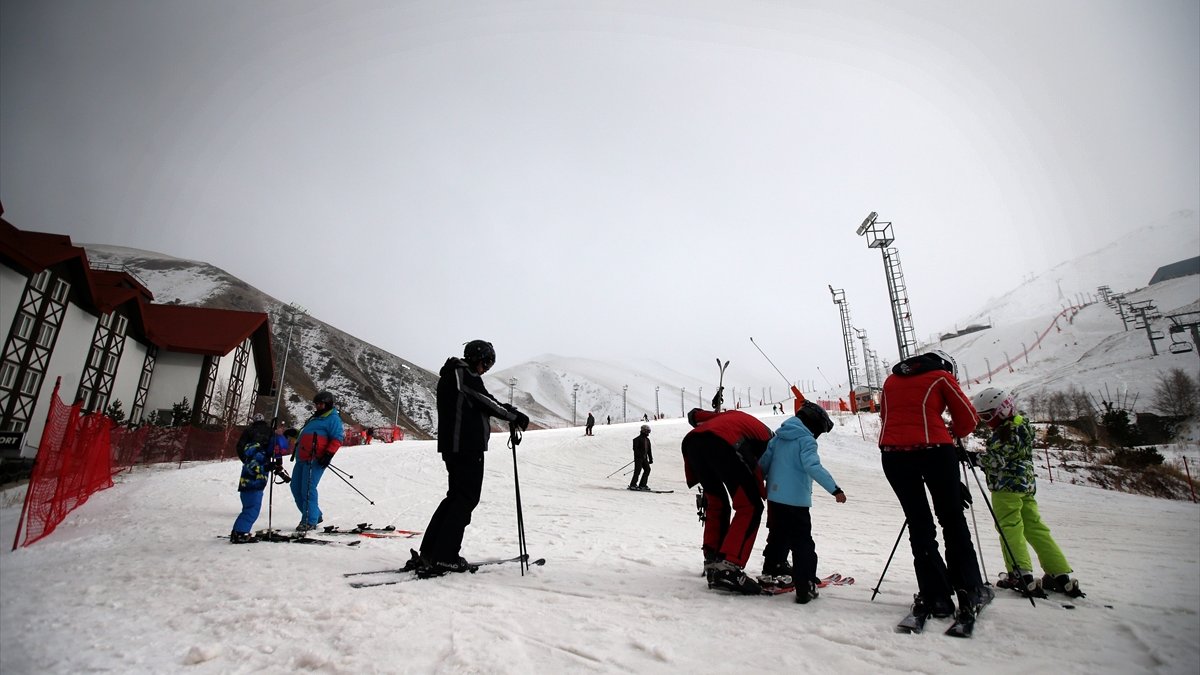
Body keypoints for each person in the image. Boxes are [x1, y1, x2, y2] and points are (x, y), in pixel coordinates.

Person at [878, 350, 992, 624]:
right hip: (934, 451)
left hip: (893, 454)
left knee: (919, 524)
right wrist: (950, 430)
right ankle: (969, 589)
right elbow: (968, 419)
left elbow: (886, 417)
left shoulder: (891, 381)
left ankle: (935, 594)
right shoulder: (941, 377)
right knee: (951, 518)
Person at [417, 340, 529, 578]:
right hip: (465, 447)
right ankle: (445, 556)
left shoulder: (458, 374)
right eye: (486, 362)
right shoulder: (463, 374)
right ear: (477, 358)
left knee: (456, 498)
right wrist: (513, 416)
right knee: (465, 500)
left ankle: (431, 551)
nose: (486, 368)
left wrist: (509, 410)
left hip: (458, 446)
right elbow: (484, 400)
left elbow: (482, 399)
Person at [970, 387, 1085, 598]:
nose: (986, 422)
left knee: (1009, 527)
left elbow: (998, 460)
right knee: (1035, 527)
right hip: (1025, 486)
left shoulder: (1006, 432)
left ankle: (1020, 573)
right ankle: (1059, 573)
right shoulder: (1021, 425)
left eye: (988, 416)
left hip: (1006, 488)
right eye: (982, 417)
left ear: (1002, 410)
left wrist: (973, 457)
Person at [759, 401, 846, 603]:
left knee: (778, 535)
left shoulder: (778, 437)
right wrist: (835, 489)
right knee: (802, 542)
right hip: (796, 502)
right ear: (813, 424)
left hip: (775, 498)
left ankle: (771, 571)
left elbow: (764, 463)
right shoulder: (806, 441)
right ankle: (805, 586)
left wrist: (758, 484)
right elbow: (813, 466)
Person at [682, 407, 774, 594]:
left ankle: (713, 560)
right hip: (724, 443)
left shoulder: (732, 416)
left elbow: (696, 415)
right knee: (750, 506)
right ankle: (729, 567)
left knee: (717, 502)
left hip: (693, 442)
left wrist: (695, 417)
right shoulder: (771, 442)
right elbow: (759, 470)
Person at [291, 390, 344, 531]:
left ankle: (309, 520)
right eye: (316, 404)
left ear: (328, 404)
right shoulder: (315, 418)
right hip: (302, 458)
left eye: (321, 404)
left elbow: (338, 438)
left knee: (307, 489)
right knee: (295, 488)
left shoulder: (332, 419)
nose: (318, 406)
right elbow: (306, 436)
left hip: (315, 459)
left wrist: (328, 454)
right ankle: (315, 514)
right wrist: (294, 434)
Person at [230, 431, 275, 543]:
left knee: (248, 510)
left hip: (249, 486)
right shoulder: (258, 452)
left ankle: (238, 531)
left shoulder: (254, 451)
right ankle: (240, 533)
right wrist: (266, 467)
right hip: (253, 486)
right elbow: (252, 466)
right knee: (251, 511)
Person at [629, 424, 653, 490]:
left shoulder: (647, 440)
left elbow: (649, 450)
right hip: (639, 458)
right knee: (637, 471)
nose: (648, 433)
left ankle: (642, 485)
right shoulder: (637, 439)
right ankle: (633, 485)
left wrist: (650, 458)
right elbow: (635, 449)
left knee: (647, 470)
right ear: (643, 431)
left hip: (644, 459)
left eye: (649, 431)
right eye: (647, 431)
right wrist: (640, 455)